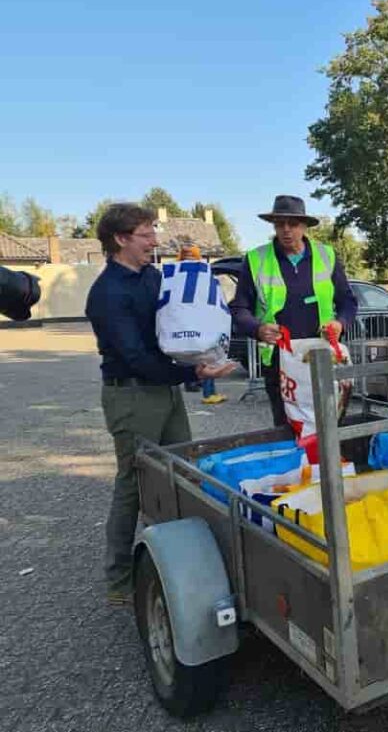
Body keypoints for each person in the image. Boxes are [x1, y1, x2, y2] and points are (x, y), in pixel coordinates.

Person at [85, 203, 235, 605]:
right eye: (146, 234)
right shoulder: (107, 294)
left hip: (163, 390)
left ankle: (178, 558)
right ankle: (118, 579)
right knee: (133, 484)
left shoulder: (152, 277)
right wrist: (192, 376)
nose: (154, 241)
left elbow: (177, 319)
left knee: (182, 470)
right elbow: (135, 357)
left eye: (153, 232)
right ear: (120, 240)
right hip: (131, 395)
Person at [229, 195, 358, 427]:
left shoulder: (327, 256)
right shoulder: (256, 259)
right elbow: (239, 308)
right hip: (280, 362)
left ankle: (325, 464)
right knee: (287, 427)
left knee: (329, 424)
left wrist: (340, 323)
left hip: (322, 358)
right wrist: (258, 329)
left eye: (293, 224)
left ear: (305, 226)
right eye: (280, 224)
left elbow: (348, 302)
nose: (286, 230)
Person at [175, 244, 226, 403]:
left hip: (182, 322)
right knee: (207, 357)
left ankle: (191, 383)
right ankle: (209, 394)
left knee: (186, 355)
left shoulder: (174, 275)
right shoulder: (203, 275)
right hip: (200, 321)